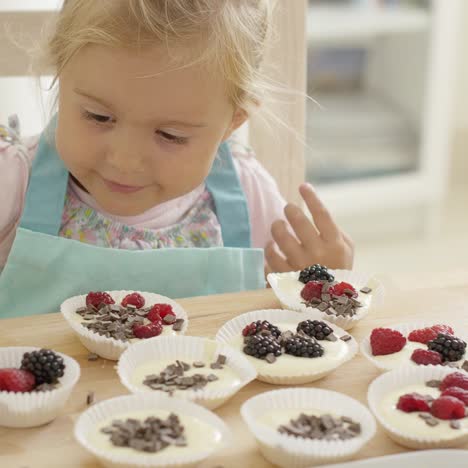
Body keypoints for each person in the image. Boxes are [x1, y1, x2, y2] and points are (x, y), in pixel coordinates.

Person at [0, 0, 353, 317]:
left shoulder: (248, 194)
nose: (125, 160)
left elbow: (285, 317)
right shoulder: (14, 180)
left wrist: (322, 282)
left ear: (232, 124)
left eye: (171, 136)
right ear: (60, 76)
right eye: (98, 116)